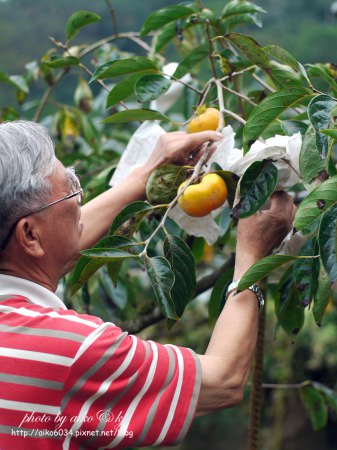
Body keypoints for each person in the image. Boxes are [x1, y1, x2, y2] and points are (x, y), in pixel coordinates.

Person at [0, 120, 295, 449]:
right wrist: (252, 257)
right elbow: (221, 380)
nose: (79, 199)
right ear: (29, 235)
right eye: (70, 188)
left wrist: (146, 175)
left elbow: (51, 243)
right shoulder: (70, 349)